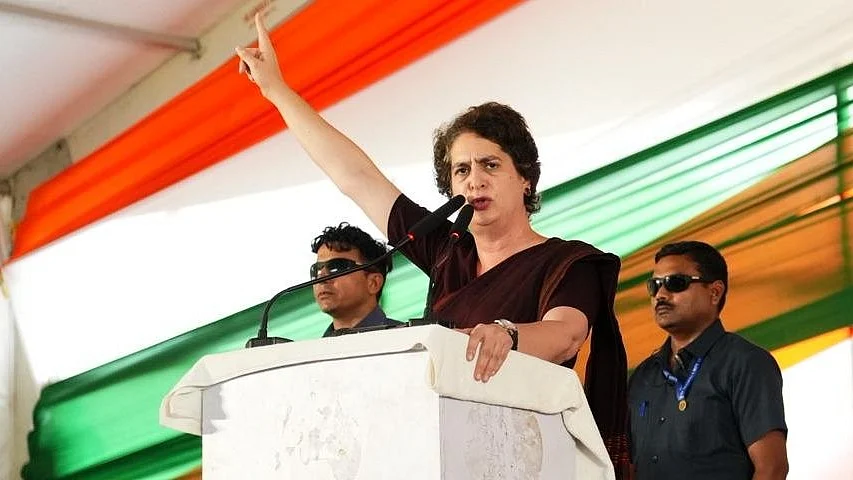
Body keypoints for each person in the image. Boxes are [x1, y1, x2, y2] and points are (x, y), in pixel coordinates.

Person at [235, 14, 630, 473]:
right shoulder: (447, 247)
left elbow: (565, 335)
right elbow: (356, 177)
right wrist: (276, 91)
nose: (474, 180)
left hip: (527, 457)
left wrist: (507, 333)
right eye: (461, 171)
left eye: (491, 165)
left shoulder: (567, 261)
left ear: (525, 178)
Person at [628, 241, 788, 480]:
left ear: (714, 292)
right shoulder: (643, 376)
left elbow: (772, 468)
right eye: (655, 285)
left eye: (675, 283)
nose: (660, 295)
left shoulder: (745, 363)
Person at [310, 223, 402, 336]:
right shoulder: (312, 351)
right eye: (316, 270)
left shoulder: (408, 340)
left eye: (337, 267)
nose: (321, 278)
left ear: (373, 283)